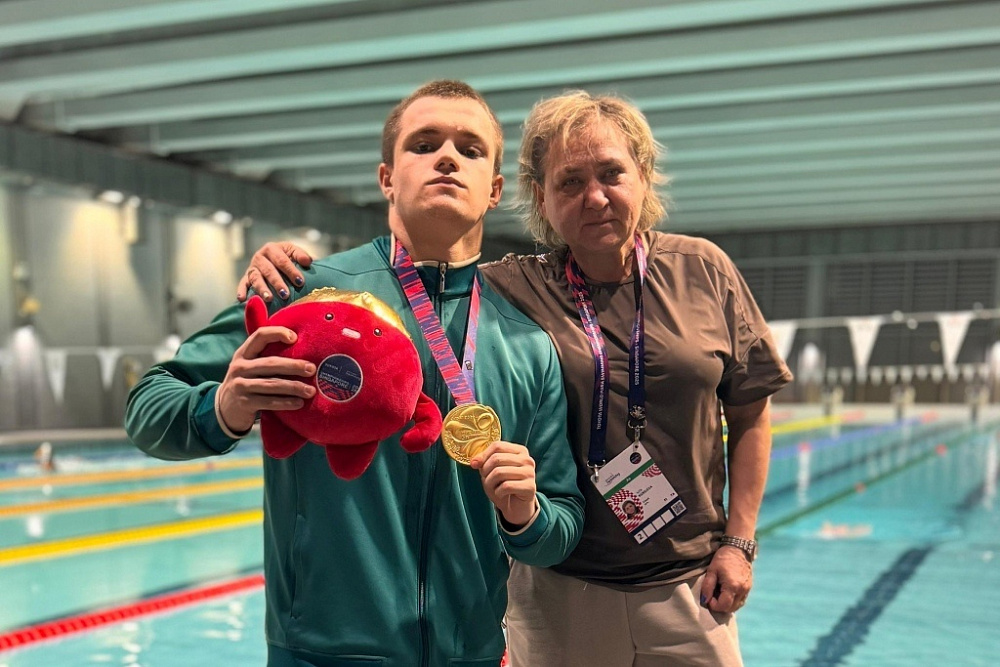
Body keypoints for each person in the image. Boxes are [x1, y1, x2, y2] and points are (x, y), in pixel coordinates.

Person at [242, 91, 792, 666]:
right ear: (541, 198)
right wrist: (287, 268)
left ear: (643, 176)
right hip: (560, 588)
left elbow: (751, 411)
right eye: (570, 182)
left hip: (690, 581)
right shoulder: (512, 287)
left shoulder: (702, 270)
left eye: (612, 173)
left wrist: (739, 542)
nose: (595, 197)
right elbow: (425, 280)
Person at [125, 80, 584, 667]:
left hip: (470, 655)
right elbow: (148, 407)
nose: (447, 157)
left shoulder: (527, 343)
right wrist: (224, 407)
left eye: (470, 150)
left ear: (494, 189)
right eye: (424, 144)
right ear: (387, 177)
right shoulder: (305, 292)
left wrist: (527, 515)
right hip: (320, 654)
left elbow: (563, 524)